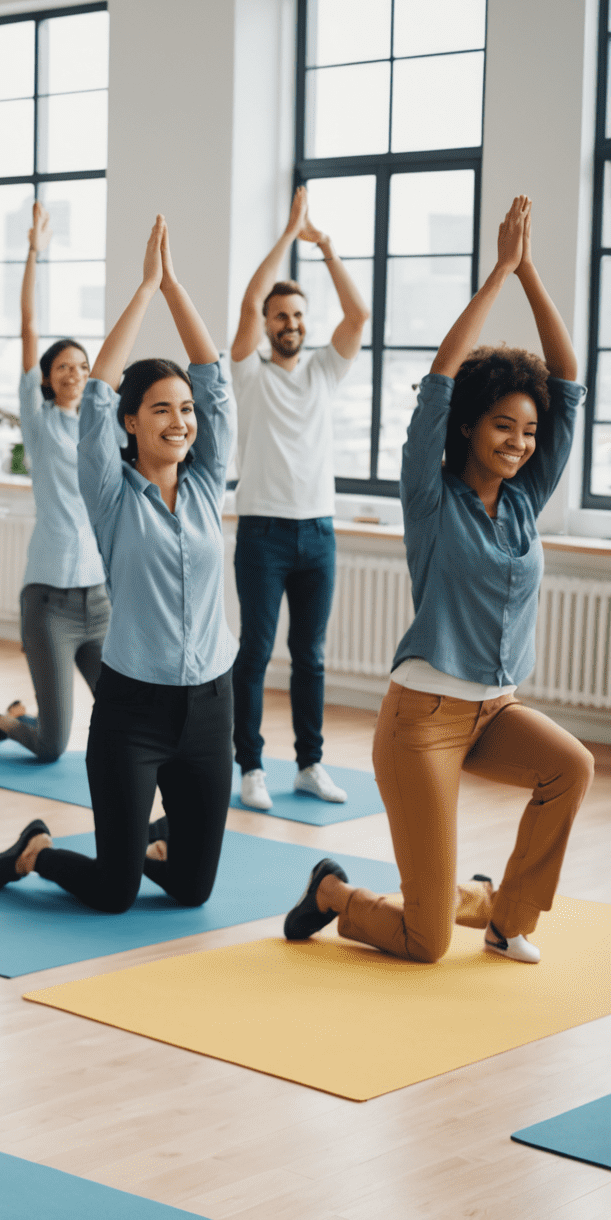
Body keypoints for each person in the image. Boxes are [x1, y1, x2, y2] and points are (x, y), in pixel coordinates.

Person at [284, 196, 591, 965]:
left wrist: (531, 274)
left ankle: (503, 914)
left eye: (527, 430)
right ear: (467, 429)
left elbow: (570, 380)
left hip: (495, 707)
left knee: (571, 766)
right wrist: (496, 276)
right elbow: (439, 381)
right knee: (424, 944)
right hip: (422, 721)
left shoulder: (524, 501)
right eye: (502, 427)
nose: (520, 443)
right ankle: (337, 894)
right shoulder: (429, 496)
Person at [0, 217, 237, 915]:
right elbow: (96, 394)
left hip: (212, 707)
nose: (180, 421)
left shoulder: (210, 484)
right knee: (115, 893)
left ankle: (151, 843)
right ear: (131, 422)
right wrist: (145, 288)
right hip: (134, 711)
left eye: (184, 411)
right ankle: (39, 852)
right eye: (160, 410)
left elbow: (216, 384)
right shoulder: (111, 494)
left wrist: (177, 287)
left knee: (191, 891)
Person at [230, 185, 369, 812]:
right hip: (262, 532)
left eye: (297, 316)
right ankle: (250, 766)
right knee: (255, 653)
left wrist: (328, 248)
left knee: (309, 657)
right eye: (280, 316)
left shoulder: (322, 371)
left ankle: (310, 763)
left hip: (319, 532)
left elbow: (358, 315)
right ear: (266, 324)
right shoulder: (248, 371)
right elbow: (249, 298)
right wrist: (289, 234)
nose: (290, 323)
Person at [0, 201, 109, 761]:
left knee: (119, 715)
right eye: (64, 366)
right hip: (49, 601)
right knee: (51, 745)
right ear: (46, 378)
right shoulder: (41, 426)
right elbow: (27, 327)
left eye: (83, 366)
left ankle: (16, 714)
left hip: (100, 600)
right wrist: (33, 252)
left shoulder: (105, 432)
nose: (74, 373)